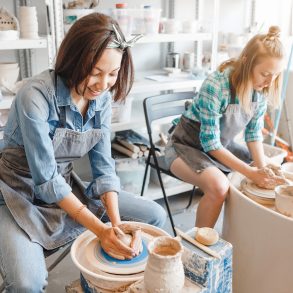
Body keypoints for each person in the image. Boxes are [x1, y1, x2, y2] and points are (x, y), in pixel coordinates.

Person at [0, 13, 166, 292]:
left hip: (64, 189)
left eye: (112, 74)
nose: (103, 85)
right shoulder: (35, 96)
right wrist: (101, 231)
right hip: (16, 194)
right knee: (27, 283)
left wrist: (116, 225)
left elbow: (103, 168)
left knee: (154, 218)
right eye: (96, 72)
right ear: (74, 60)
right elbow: (47, 179)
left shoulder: (100, 100)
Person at [165, 26, 287, 229]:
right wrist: (252, 172)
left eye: (275, 75)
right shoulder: (217, 85)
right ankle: (200, 251)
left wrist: (262, 168)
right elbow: (210, 143)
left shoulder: (261, 90)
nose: (269, 82)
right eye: (265, 74)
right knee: (220, 187)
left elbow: (253, 134)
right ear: (247, 61)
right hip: (184, 146)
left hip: (220, 146)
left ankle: (238, 237)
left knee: (264, 169)